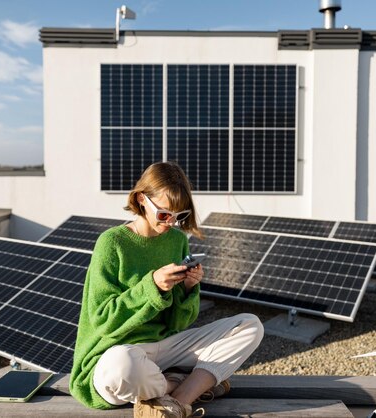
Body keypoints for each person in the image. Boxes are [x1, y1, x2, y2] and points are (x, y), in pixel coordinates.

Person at [69, 161, 264, 418]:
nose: (171, 223)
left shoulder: (177, 240)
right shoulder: (112, 243)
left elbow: (178, 324)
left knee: (250, 325)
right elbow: (102, 320)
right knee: (122, 367)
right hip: (117, 350)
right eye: (164, 214)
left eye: (179, 216)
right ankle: (178, 383)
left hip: (164, 348)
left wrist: (187, 288)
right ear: (141, 200)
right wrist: (152, 286)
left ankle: (179, 400)